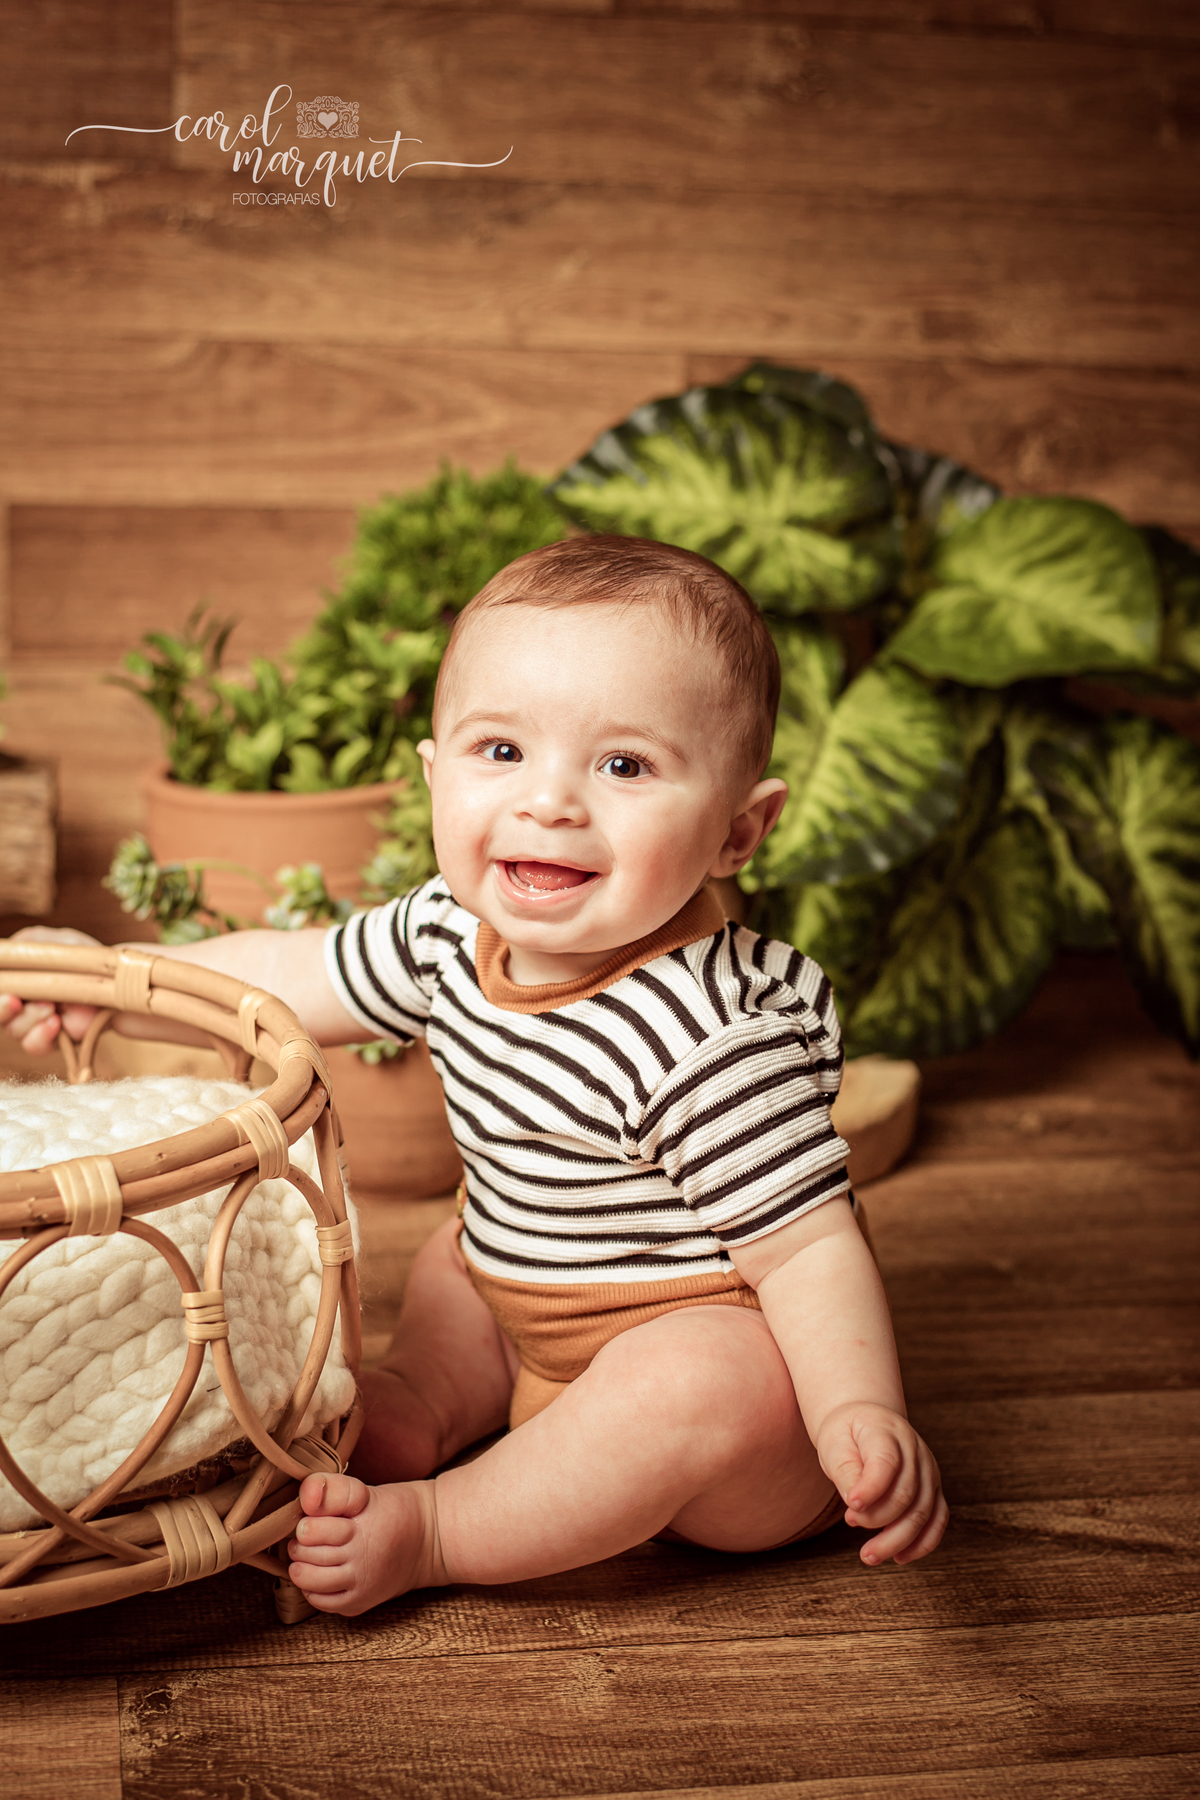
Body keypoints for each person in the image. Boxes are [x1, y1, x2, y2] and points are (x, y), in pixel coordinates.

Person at [2, 536, 947, 1615]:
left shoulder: (711, 1037)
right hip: (531, 1314)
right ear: (433, 772)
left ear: (739, 829)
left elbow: (813, 1252)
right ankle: (427, 1400)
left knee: (705, 1373)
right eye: (501, 752)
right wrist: (120, 975)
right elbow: (286, 970)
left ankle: (443, 1530)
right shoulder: (452, 930)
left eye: (624, 766)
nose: (550, 803)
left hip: (725, 1433)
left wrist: (859, 1413)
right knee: (458, 1258)